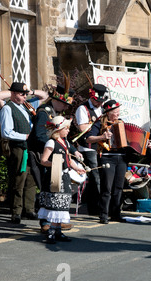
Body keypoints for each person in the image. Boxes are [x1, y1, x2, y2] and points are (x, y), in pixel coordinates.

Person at [28, 83, 82, 233]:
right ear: (56, 100)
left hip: (54, 153)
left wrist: (73, 150)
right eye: (64, 104)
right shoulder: (44, 112)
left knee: (56, 190)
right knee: (47, 188)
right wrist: (57, 147)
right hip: (42, 154)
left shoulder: (56, 114)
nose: (65, 108)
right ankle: (45, 221)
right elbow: (40, 136)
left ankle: (56, 220)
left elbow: (62, 138)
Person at [0, 82, 47, 224]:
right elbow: (6, 132)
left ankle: (29, 209)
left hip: (29, 147)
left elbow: (44, 96)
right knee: (18, 179)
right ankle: (16, 212)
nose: (25, 96)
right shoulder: (8, 108)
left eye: (26, 94)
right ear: (12, 94)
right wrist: (25, 136)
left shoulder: (25, 107)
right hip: (18, 148)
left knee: (31, 179)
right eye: (21, 94)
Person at [38, 116, 85, 244]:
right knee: (55, 206)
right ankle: (51, 233)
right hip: (54, 177)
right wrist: (55, 163)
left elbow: (68, 159)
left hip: (64, 176)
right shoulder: (51, 142)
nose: (68, 131)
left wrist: (77, 169)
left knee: (62, 205)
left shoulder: (65, 142)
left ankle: (58, 232)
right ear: (59, 130)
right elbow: (43, 160)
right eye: (66, 128)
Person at [86, 100, 129, 224]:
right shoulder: (99, 123)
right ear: (108, 113)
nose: (117, 114)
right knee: (107, 187)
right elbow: (88, 138)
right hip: (107, 157)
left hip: (121, 157)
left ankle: (116, 213)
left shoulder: (122, 123)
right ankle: (104, 214)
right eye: (115, 112)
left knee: (119, 187)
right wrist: (102, 137)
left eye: (118, 111)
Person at [74, 84, 109, 215]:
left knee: (101, 177)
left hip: (102, 148)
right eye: (98, 101)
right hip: (88, 148)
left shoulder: (103, 108)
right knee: (96, 178)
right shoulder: (83, 109)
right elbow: (83, 129)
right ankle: (97, 208)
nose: (100, 103)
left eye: (102, 101)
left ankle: (98, 207)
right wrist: (98, 127)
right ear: (92, 97)